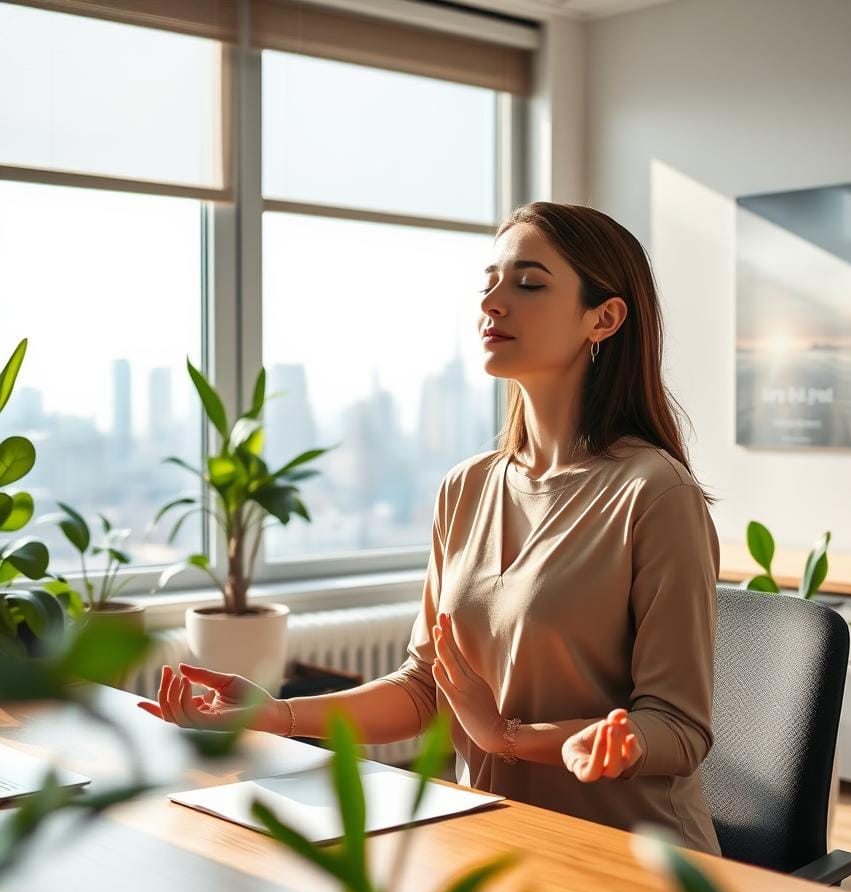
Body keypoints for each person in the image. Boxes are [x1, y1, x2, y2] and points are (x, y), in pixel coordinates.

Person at [139, 202, 722, 856]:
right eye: (489, 283)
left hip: (630, 858)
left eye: (528, 283)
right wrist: (277, 716)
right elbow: (423, 689)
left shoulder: (655, 493)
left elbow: (678, 729)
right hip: (490, 840)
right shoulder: (466, 487)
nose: (492, 304)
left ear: (604, 318)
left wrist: (518, 738)